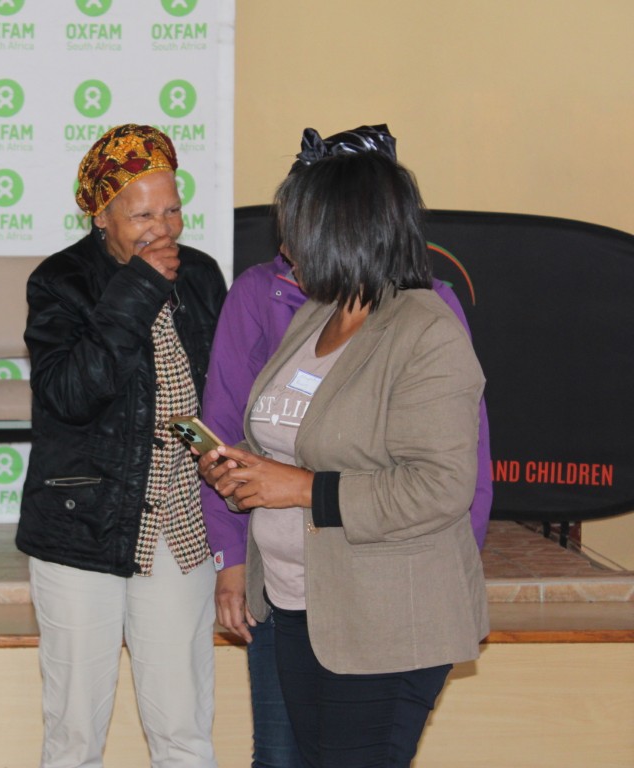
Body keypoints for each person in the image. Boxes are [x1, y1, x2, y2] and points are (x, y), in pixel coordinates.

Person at [201, 125, 493, 768]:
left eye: (298, 230)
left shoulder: (425, 330)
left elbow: (441, 485)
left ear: (345, 231)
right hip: (299, 605)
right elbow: (297, 437)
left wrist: (302, 489)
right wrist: (244, 467)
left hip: (384, 620)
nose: (285, 247)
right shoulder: (316, 315)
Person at [16, 123, 227, 768]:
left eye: (172, 210)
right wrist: (137, 289)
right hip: (85, 523)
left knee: (184, 727)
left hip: (178, 525)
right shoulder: (60, 281)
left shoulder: (201, 275)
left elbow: (204, 397)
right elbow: (71, 396)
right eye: (142, 216)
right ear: (101, 215)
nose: (162, 229)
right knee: (75, 733)